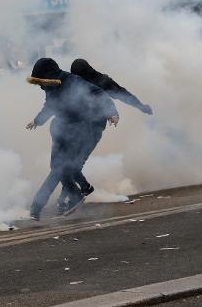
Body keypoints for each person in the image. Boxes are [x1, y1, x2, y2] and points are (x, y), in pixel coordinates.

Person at [52, 59, 152, 211]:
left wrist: (140, 106)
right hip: (77, 127)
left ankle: (71, 196)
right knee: (69, 162)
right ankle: (70, 195)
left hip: (93, 128)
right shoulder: (73, 83)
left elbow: (122, 93)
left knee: (74, 163)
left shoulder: (101, 81)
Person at [26, 58, 119, 220]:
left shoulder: (73, 81)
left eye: (42, 82)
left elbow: (98, 93)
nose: (40, 87)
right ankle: (78, 192)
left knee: (63, 168)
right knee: (56, 166)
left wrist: (112, 112)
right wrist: (37, 120)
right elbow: (50, 105)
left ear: (49, 77)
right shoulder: (51, 87)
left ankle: (37, 208)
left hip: (82, 128)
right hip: (61, 128)